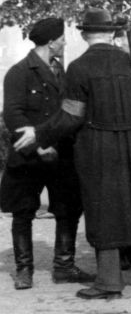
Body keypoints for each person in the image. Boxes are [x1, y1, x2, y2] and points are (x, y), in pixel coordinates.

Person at [13, 8, 131, 300]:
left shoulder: (79, 68)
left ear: (85, 34)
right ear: (113, 33)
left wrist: (38, 133)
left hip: (99, 148)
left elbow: (71, 116)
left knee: (106, 210)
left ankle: (110, 282)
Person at [1, 17, 92, 289]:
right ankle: (24, 270)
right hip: (29, 156)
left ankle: (64, 267)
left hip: (61, 155)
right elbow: (13, 115)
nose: (65, 42)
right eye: (62, 38)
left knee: (68, 209)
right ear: (51, 42)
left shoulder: (61, 71)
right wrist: (40, 145)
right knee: (23, 212)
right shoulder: (19, 72)